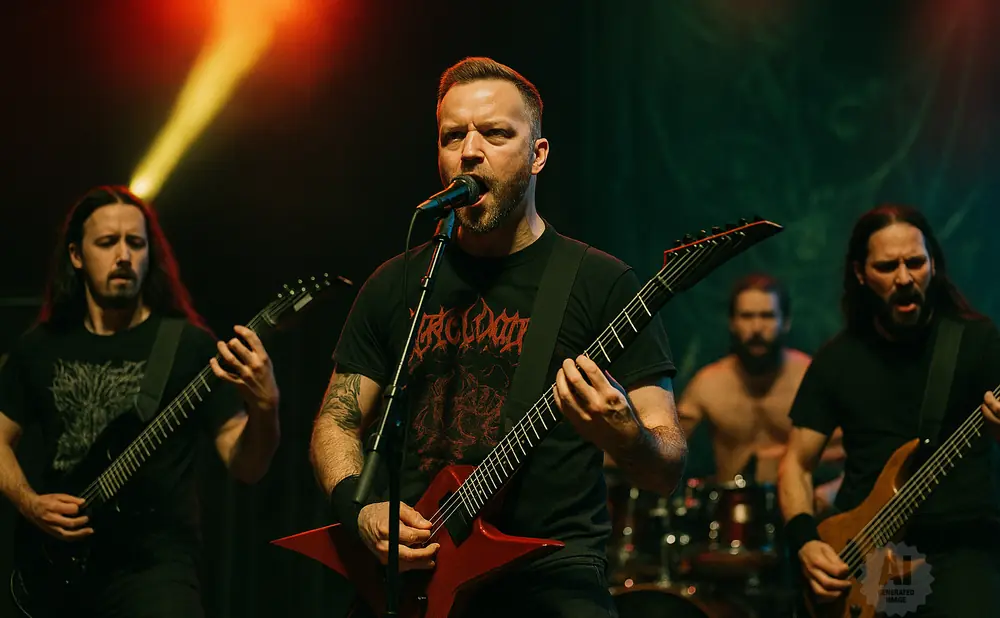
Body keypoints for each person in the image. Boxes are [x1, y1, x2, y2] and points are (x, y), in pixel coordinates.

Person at [309, 57, 685, 618]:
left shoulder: (600, 283)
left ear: (538, 155)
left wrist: (627, 435)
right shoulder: (397, 283)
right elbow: (336, 420)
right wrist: (359, 508)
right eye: (453, 135)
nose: (469, 150)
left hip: (551, 575)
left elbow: (668, 464)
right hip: (417, 576)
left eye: (496, 133)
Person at [0, 186, 281, 616]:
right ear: (76, 255)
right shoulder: (39, 347)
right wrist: (30, 503)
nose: (124, 256)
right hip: (56, 566)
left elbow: (247, 466)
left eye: (135, 242)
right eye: (107, 242)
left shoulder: (187, 345)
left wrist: (266, 406)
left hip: (156, 570)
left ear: (151, 254)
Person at [778, 204, 1000, 617]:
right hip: (868, 553)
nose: (904, 278)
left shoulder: (977, 341)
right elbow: (796, 462)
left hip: (961, 547)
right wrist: (807, 541)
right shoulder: (837, 360)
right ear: (861, 273)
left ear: (933, 264)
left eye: (915, 262)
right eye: (886, 266)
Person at [678, 273, 843, 510]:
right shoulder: (708, 384)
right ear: (732, 322)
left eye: (767, 316)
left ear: (785, 321)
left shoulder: (809, 378)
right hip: (732, 519)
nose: (756, 328)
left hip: (801, 511)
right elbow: (666, 450)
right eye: (747, 316)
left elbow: (858, 452)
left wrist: (829, 492)